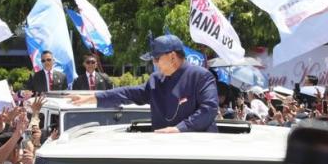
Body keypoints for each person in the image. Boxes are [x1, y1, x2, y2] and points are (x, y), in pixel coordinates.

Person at [69, 35, 219, 133]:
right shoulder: (155, 80)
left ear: (172, 57)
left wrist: (179, 129)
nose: (154, 63)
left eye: (156, 59)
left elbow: (209, 110)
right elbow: (129, 93)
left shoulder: (201, 77)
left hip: (198, 154)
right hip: (164, 153)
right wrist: (95, 98)